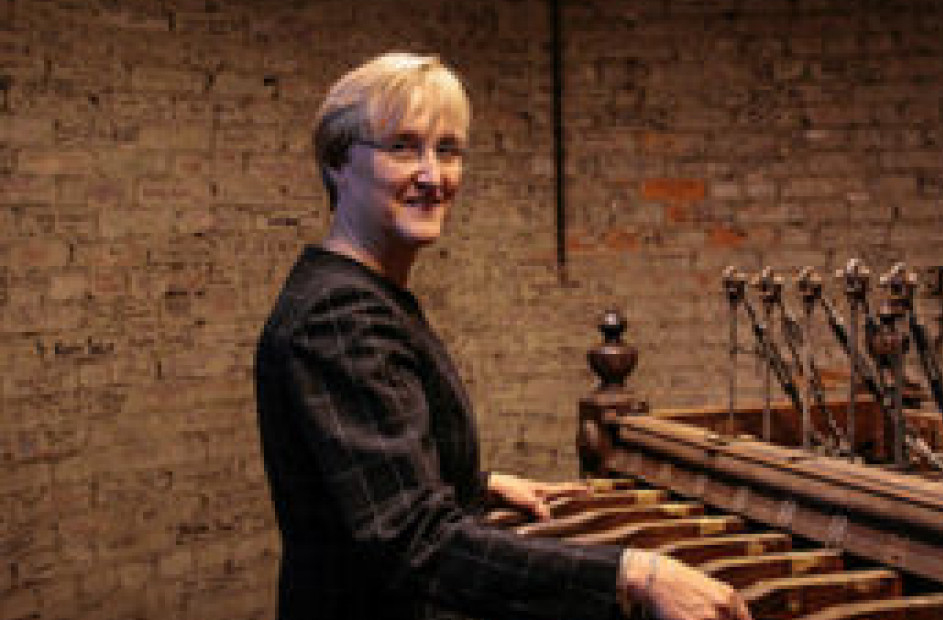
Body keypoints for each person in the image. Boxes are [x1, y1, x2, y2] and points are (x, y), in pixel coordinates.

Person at [254, 51, 753, 620]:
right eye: (402, 147)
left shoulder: (356, 294)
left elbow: (362, 485)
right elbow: (416, 546)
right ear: (340, 163)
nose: (433, 176)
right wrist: (635, 573)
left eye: (447, 150)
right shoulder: (340, 317)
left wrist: (474, 483)